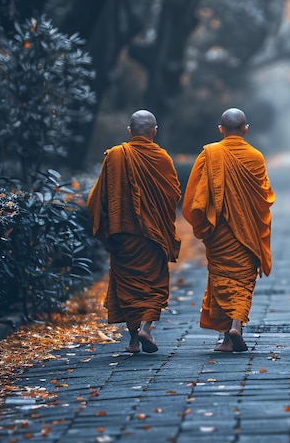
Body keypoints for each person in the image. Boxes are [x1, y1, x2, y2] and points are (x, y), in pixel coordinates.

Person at [87, 110, 181, 354]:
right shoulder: (162, 158)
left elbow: (97, 198)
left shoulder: (115, 156)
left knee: (127, 285)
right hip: (153, 235)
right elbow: (173, 196)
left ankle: (132, 340)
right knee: (153, 284)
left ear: (130, 131)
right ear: (154, 131)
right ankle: (146, 328)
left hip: (123, 234)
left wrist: (105, 228)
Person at [182, 108, 274, 352]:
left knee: (222, 279)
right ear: (245, 129)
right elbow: (264, 198)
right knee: (243, 281)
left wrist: (202, 223)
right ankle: (235, 327)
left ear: (221, 129)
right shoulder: (256, 157)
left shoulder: (210, 154)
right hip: (248, 233)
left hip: (219, 231)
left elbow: (194, 197)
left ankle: (227, 335)